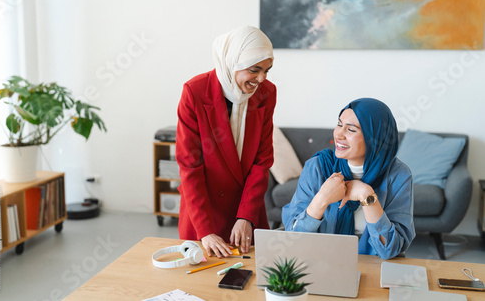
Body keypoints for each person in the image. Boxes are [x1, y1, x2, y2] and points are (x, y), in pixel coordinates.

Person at [176, 26, 276, 258]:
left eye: (267, 71)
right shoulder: (195, 92)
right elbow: (190, 167)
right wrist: (205, 230)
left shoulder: (267, 93)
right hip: (204, 211)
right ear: (232, 62)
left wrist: (246, 216)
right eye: (254, 70)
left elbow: (262, 161)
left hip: (247, 206)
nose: (261, 79)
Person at [282, 98, 415, 260]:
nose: (338, 134)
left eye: (351, 130)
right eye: (339, 124)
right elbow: (293, 240)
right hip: (320, 261)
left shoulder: (398, 175)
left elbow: (390, 249)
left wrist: (367, 196)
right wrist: (322, 199)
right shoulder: (318, 167)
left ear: (375, 138)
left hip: (374, 263)